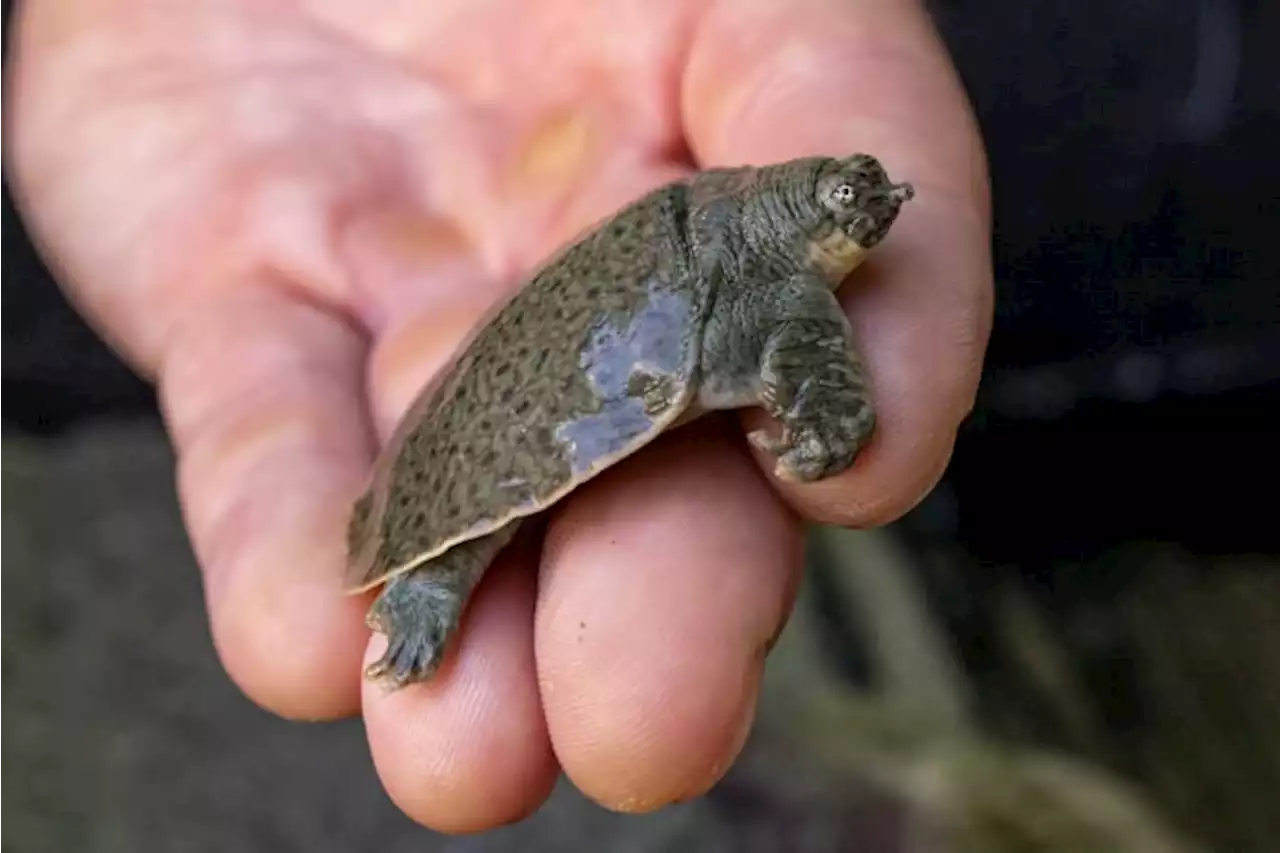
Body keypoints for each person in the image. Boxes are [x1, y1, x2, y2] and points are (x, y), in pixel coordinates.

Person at [4, 0, 992, 834]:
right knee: (499, 488)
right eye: (849, 205)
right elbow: (813, 362)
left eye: (866, 201)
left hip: (641, 292)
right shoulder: (781, 286)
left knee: (633, 683)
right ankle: (428, 573)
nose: (869, 213)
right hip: (565, 349)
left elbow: (818, 347)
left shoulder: (771, 264)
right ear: (808, 225)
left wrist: (823, 413)